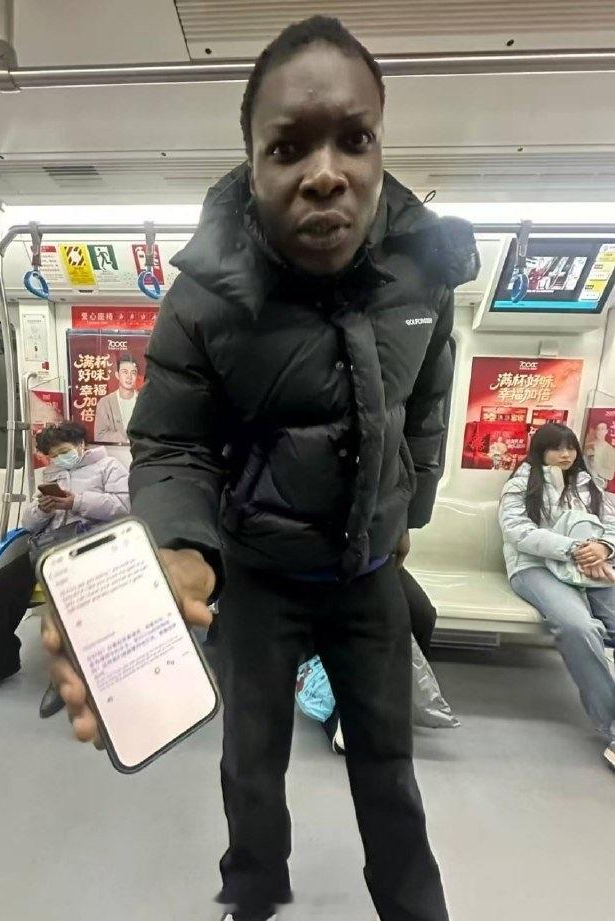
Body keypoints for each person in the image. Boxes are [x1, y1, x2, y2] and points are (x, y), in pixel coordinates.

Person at [44, 16, 479, 921]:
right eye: (288, 148)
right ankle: (253, 892)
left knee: (389, 766)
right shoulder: (205, 298)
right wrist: (181, 550)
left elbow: (426, 405)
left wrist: (409, 514)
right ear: (252, 164)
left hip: (366, 573)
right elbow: (172, 443)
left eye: (354, 139)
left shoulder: (423, 273)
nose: (326, 172)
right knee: (251, 762)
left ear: (379, 145)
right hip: (258, 575)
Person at [0, 422, 129, 714]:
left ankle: (65, 675)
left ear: (81, 445)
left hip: (88, 544)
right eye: (53, 455)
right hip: (48, 545)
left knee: (68, 593)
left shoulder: (109, 468)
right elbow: (28, 524)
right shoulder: (50, 474)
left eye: (64, 452)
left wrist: (76, 502)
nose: (59, 459)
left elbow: (124, 508)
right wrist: (42, 510)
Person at [499, 423, 615, 769]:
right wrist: (575, 549)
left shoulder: (590, 484)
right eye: (556, 448)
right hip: (534, 567)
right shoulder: (521, 484)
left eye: (570, 448)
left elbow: (611, 524)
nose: (565, 455)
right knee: (579, 627)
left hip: (591, 565)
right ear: (540, 451)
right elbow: (518, 532)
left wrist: (603, 547)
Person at [323, 564, 439, 753]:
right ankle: (339, 713)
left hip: (379, 560)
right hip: (325, 565)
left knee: (422, 614)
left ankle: (393, 702)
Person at [94, 353, 140, 443]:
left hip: (141, 451)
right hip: (115, 451)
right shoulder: (105, 403)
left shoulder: (145, 401)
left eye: (133, 373)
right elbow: (99, 436)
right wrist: (126, 436)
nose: (129, 377)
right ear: (117, 375)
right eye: (125, 372)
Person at [585, 420, 615, 488]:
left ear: (606, 431)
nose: (599, 431)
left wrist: (595, 466)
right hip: (584, 482)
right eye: (598, 429)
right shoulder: (588, 445)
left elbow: (610, 475)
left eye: (602, 429)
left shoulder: (610, 450)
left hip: (599, 485)